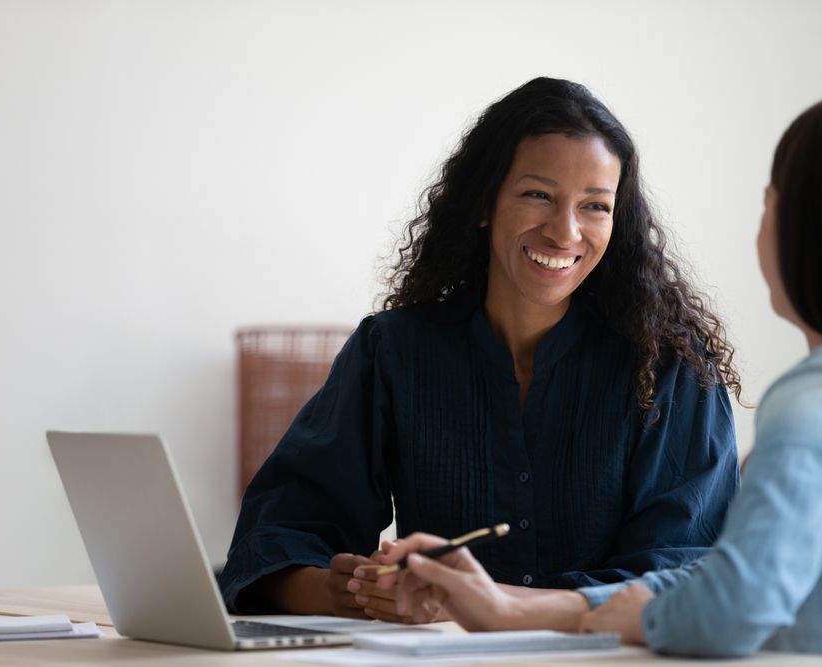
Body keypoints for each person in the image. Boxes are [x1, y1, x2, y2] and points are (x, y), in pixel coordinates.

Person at [371, 90, 822, 665]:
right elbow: (729, 584)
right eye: (538, 195)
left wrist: (514, 610)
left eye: (768, 202)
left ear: (801, 230)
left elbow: (729, 608)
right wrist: (510, 607)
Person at [217, 77, 742, 623]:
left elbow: (688, 572)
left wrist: (483, 604)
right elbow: (272, 541)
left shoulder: (673, 369)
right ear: (485, 202)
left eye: (594, 206)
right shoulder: (393, 351)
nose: (565, 232)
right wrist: (359, 592)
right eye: (538, 194)